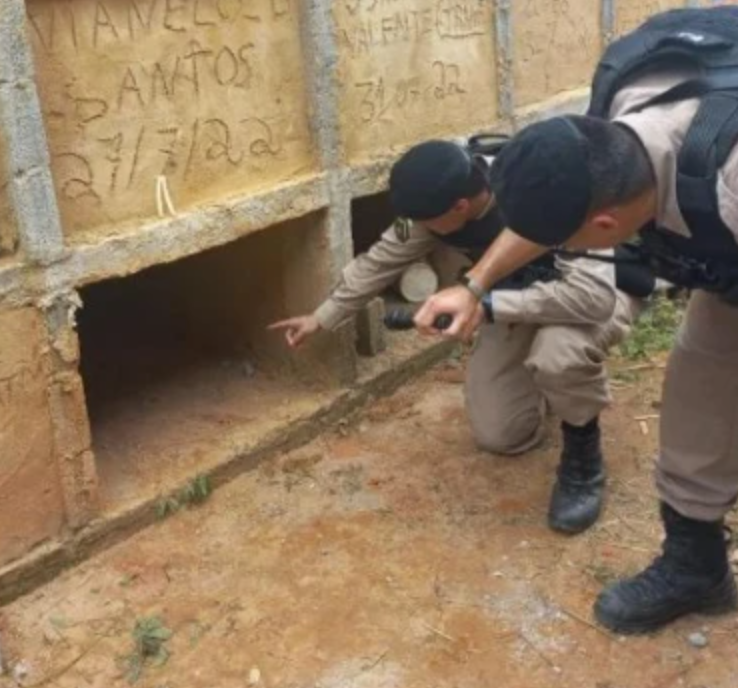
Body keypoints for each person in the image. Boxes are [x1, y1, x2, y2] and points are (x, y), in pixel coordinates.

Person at [413, 6, 738, 634]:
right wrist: (476, 286)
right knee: (700, 387)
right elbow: (561, 209)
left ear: (606, 228)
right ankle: (697, 566)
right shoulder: (617, 120)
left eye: (565, 239)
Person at [270, 139, 649, 534]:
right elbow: (380, 260)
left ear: (460, 207)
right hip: (517, 298)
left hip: (599, 293)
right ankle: (548, 388)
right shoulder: (439, 200)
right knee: (500, 434)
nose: (420, 228)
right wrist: (322, 316)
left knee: (558, 355)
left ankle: (583, 457)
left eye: (428, 221)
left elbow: (592, 299)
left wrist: (485, 307)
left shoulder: (544, 192)